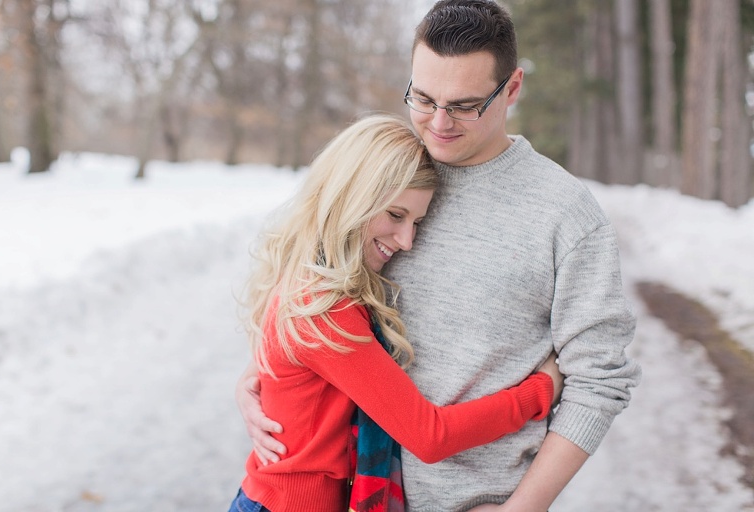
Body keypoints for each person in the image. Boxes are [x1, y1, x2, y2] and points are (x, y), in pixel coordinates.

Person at [240, 1, 642, 510]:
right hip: (356, 496)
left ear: (512, 88)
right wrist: (256, 385)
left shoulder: (565, 215)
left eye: (465, 105)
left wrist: (525, 507)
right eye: (423, 99)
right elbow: (318, 302)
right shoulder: (390, 179)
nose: (439, 124)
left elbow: (599, 381)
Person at [228, 114, 563, 512]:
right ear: (352, 197)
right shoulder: (322, 308)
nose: (406, 241)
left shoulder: (315, 276)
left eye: (417, 222)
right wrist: (540, 390)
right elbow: (429, 435)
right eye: (395, 215)